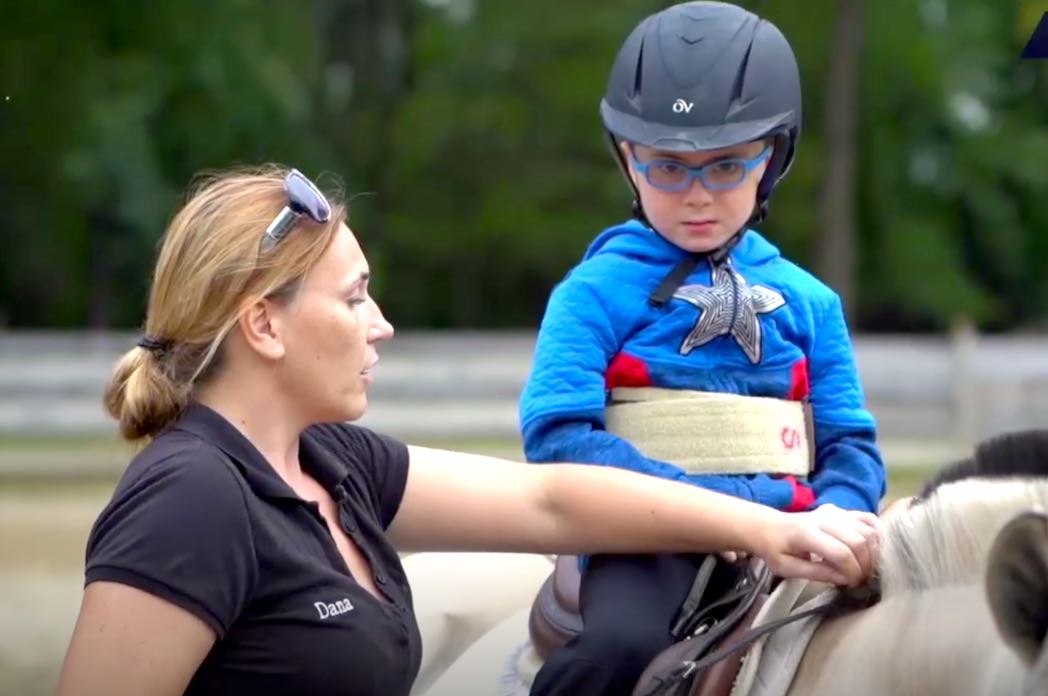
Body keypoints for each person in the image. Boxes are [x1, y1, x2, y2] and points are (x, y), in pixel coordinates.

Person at [56, 164, 879, 696]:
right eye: (353, 299)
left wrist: (771, 529)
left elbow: (550, 502)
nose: (380, 325)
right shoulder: (191, 500)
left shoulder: (333, 465)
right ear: (263, 328)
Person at [518, 2, 886, 694]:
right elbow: (559, 437)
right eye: (666, 168)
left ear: (771, 157)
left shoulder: (812, 304)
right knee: (616, 654)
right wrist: (708, 511)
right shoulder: (590, 293)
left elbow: (851, 446)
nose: (695, 197)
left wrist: (840, 510)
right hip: (649, 542)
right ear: (628, 158)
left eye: (724, 168)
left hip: (802, 530)